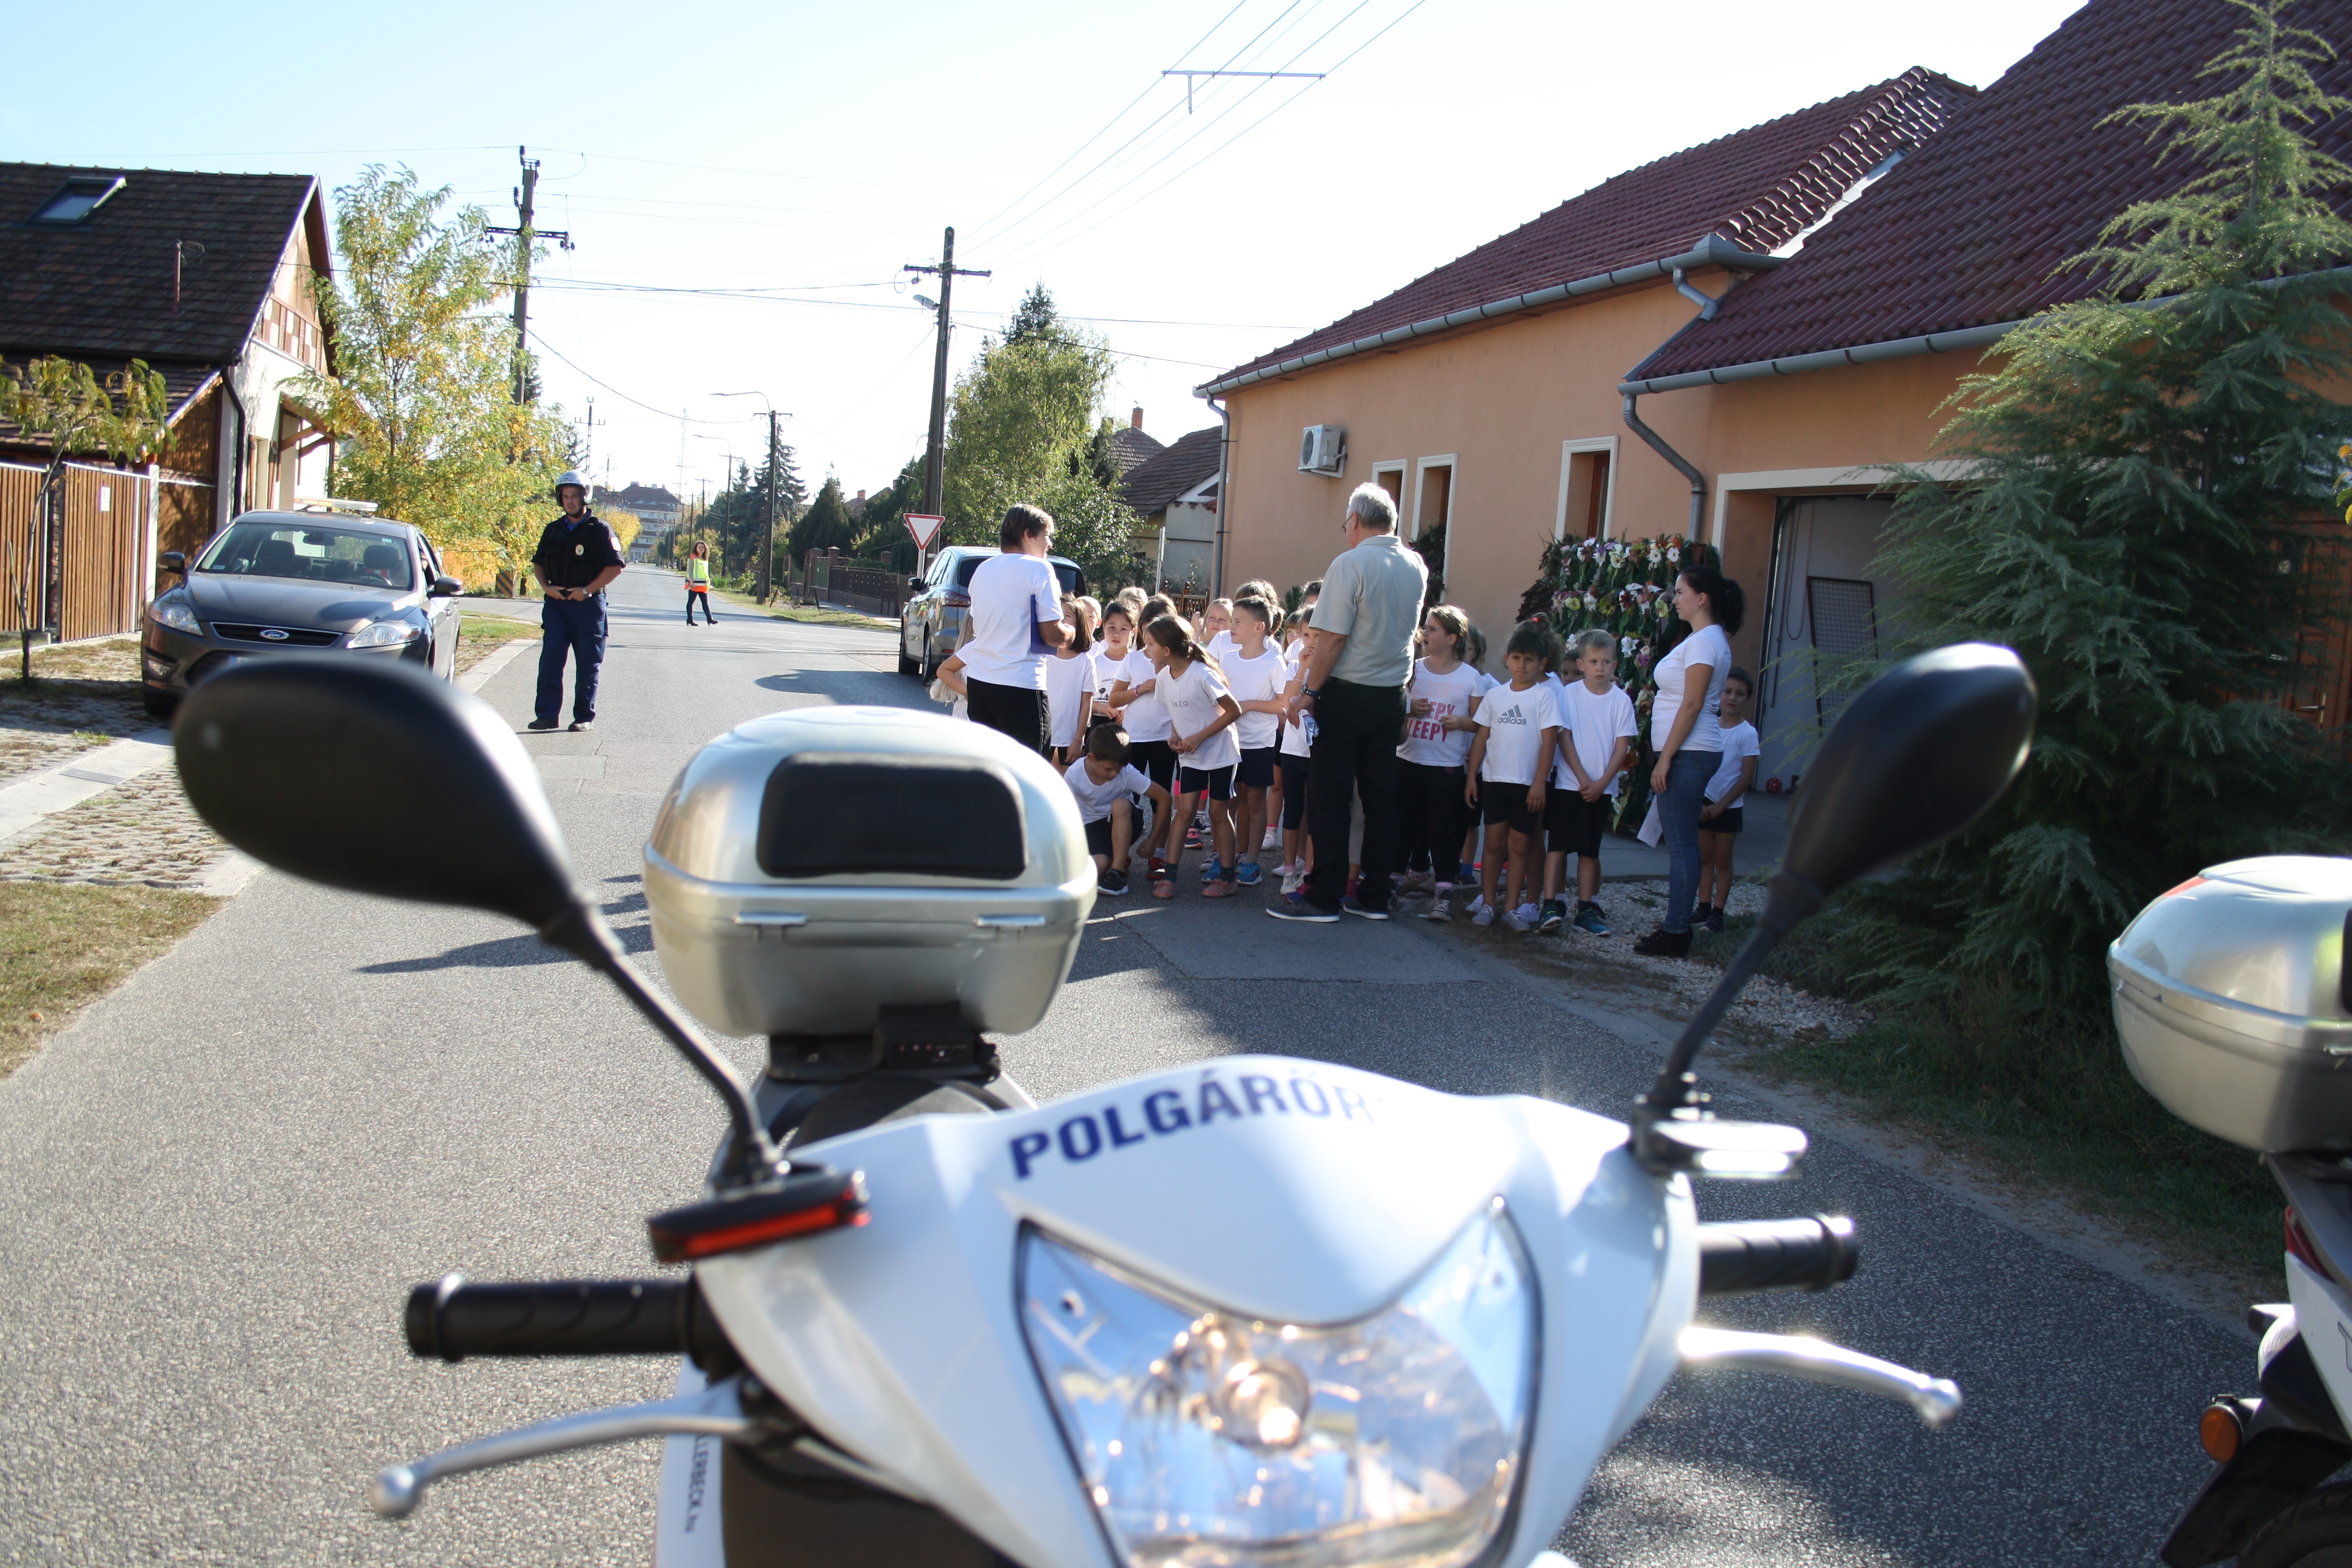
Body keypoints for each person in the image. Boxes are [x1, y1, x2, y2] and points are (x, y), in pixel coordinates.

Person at [1271, 485, 1428, 923]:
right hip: (1391, 695)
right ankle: (1374, 896)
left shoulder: (1350, 563)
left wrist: (1310, 692)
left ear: (1355, 520)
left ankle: (1325, 896)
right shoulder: (1415, 564)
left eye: (1346, 524)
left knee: (1331, 797)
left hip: (1347, 693)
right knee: (1380, 800)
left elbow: (1333, 638)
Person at [1636, 565, 1745, 956]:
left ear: (1702, 599)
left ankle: (1676, 932)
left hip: (1689, 752)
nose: (1675, 598)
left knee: (1682, 846)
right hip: (1689, 751)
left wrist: (1665, 759)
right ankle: (1676, 926)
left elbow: (1693, 704)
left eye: (1681, 592)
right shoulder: (1704, 639)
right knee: (1684, 844)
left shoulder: (1704, 643)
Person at [1463, 623, 1562, 930]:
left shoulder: (1545, 696)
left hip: (1527, 785)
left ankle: (1512, 908)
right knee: (1494, 843)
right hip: (1494, 782)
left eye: (1529, 660)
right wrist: (1472, 777)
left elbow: (1550, 742)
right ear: (1507, 659)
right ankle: (1488, 904)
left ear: (1542, 663)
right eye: (1517, 658)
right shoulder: (1495, 696)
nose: (1522, 665)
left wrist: (1539, 783)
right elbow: (1481, 738)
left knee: (1519, 845)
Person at [1543, 629, 1639, 936]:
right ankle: (1550, 904)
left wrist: (1601, 783)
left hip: (1602, 789)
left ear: (1615, 665)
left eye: (1606, 662)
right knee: (1557, 847)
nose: (1600, 668)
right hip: (1569, 786)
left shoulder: (1621, 701)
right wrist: (1584, 779)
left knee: (1589, 851)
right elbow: (1564, 738)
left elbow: (1622, 748)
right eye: (1594, 661)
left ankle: (1585, 909)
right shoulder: (1568, 695)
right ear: (1581, 664)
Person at [957, 505, 1073, 756]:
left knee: (988, 764)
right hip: (1020, 685)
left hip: (980, 684)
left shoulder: (983, 569)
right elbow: (1052, 635)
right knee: (1030, 767)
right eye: (1046, 536)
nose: (1050, 544)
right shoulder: (1039, 568)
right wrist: (1071, 632)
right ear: (1028, 535)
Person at [1395, 605, 1483, 921]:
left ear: (1452, 638)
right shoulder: (1413, 669)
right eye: (1426, 627)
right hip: (1407, 759)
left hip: (1445, 766)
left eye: (1433, 629)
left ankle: (1444, 894)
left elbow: (1480, 723)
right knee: (1402, 826)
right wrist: (1409, 708)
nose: (1425, 634)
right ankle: (1392, 884)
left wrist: (1461, 722)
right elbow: (1394, 704)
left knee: (1443, 830)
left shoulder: (1470, 677)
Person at [1147, 614, 1244, 898]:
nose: (1147, 649)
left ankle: (1228, 878)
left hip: (1221, 753)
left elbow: (1234, 710)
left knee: (1218, 813)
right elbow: (1177, 713)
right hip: (1191, 756)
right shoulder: (1164, 677)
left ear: (1167, 650)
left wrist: (1199, 737)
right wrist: (1175, 735)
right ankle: (1169, 878)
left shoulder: (1202, 674)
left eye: (1150, 644)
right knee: (1184, 812)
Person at [529, 469, 626, 733]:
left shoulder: (600, 530)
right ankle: (547, 716)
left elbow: (615, 567)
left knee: (587, 665)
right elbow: (539, 564)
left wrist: (587, 590)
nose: (570, 501)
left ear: (585, 497)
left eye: (574, 496)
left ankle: (583, 717)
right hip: (557, 605)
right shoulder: (553, 530)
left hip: (589, 606)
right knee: (550, 661)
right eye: (565, 496)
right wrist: (547, 588)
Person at [1107, 594, 1181, 880]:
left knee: (1160, 798)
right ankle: (1121, 853)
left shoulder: (1178, 662)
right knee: (1127, 797)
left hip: (1164, 739)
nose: (1152, 635)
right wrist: (1139, 689)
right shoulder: (1133, 659)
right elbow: (1114, 699)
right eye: (1148, 627)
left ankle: (1158, 853)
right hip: (1134, 738)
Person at [1223, 596, 1288, 888]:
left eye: (1238, 622)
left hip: (1260, 743)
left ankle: (1251, 861)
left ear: (1259, 627)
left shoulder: (1273, 662)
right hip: (1229, 741)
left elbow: (1283, 704)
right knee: (1232, 800)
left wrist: (1248, 704)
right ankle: (1230, 855)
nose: (1231, 627)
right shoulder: (1227, 658)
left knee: (1256, 801)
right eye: (1231, 621)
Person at [1065, 726, 1168, 897]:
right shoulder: (1075, 774)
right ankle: (1113, 859)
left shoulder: (1126, 773)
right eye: (1108, 769)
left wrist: (1152, 840)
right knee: (1097, 867)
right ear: (1091, 758)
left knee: (1120, 804)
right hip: (1092, 826)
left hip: (1126, 821)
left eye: (1118, 769)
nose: (1114, 774)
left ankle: (1118, 874)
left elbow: (1165, 798)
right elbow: (1064, 813)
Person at [1696, 668, 1760, 933]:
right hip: (1704, 804)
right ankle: (1703, 907)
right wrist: (1701, 802)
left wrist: (1721, 805)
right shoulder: (1708, 726)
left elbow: (1746, 777)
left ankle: (1718, 913)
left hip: (1728, 808)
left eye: (1740, 694)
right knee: (1705, 859)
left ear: (1748, 698)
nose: (1732, 698)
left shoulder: (1748, 733)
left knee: (1723, 862)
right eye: (1728, 691)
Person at [1275, 608, 1316, 895]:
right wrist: (1303, 668)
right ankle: (1290, 870)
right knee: (1292, 809)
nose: (1311, 641)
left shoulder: (1334, 666)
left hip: (1319, 750)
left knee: (1315, 812)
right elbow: (1288, 700)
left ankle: (1309, 872)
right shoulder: (1295, 665)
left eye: (1318, 636)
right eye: (1306, 635)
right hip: (1292, 748)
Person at [1044, 595, 1099, 767]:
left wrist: (1078, 740)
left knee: (1066, 780)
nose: (1061, 621)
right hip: (1043, 735)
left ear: (1079, 622)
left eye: (1066, 616)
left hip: (1069, 739)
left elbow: (1087, 703)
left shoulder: (1086, 662)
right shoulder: (1042, 657)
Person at [684, 541, 716, 626]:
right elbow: (690, 571)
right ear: (696, 548)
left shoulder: (705, 559)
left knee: (705, 602)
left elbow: (705, 572)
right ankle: (690, 619)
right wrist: (692, 582)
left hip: (703, 585)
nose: (701, 548)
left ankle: (710, 619)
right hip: (694, 585)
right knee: (691, 602)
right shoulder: (693, 558)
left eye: (703, 547)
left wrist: (708, 582)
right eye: (700, 547)